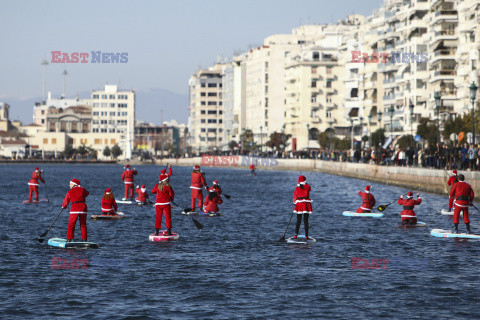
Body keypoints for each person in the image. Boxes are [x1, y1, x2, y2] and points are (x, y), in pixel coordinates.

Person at [293, 175, 313, 239]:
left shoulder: (297, 188)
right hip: (306, 204)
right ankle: (306, 236)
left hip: (299, 204)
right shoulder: (308, 186)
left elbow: (295, 197)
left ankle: (295, 235)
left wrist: (295, 202)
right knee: (306, 221)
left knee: (298, 220)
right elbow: (309, 189)